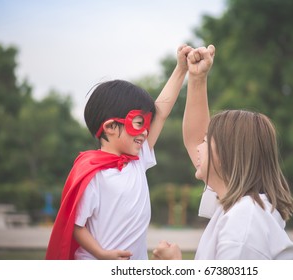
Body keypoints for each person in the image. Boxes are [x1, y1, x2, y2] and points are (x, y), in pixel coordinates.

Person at [45, 44, 193, 260]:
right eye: (138, 123)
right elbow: (76, 225)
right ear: (111, 127)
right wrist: (101, 254)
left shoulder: (136, 159)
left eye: (147, 124)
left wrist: (181, 69)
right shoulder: (94, 174)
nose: (145, 131)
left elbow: (160, 113)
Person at [152, 45, 293, 260]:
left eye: (206, 141)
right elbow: (194, 139)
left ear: (226, 155)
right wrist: (197, 77)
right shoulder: (237, 205)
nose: (197, 147)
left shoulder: (244, 224)